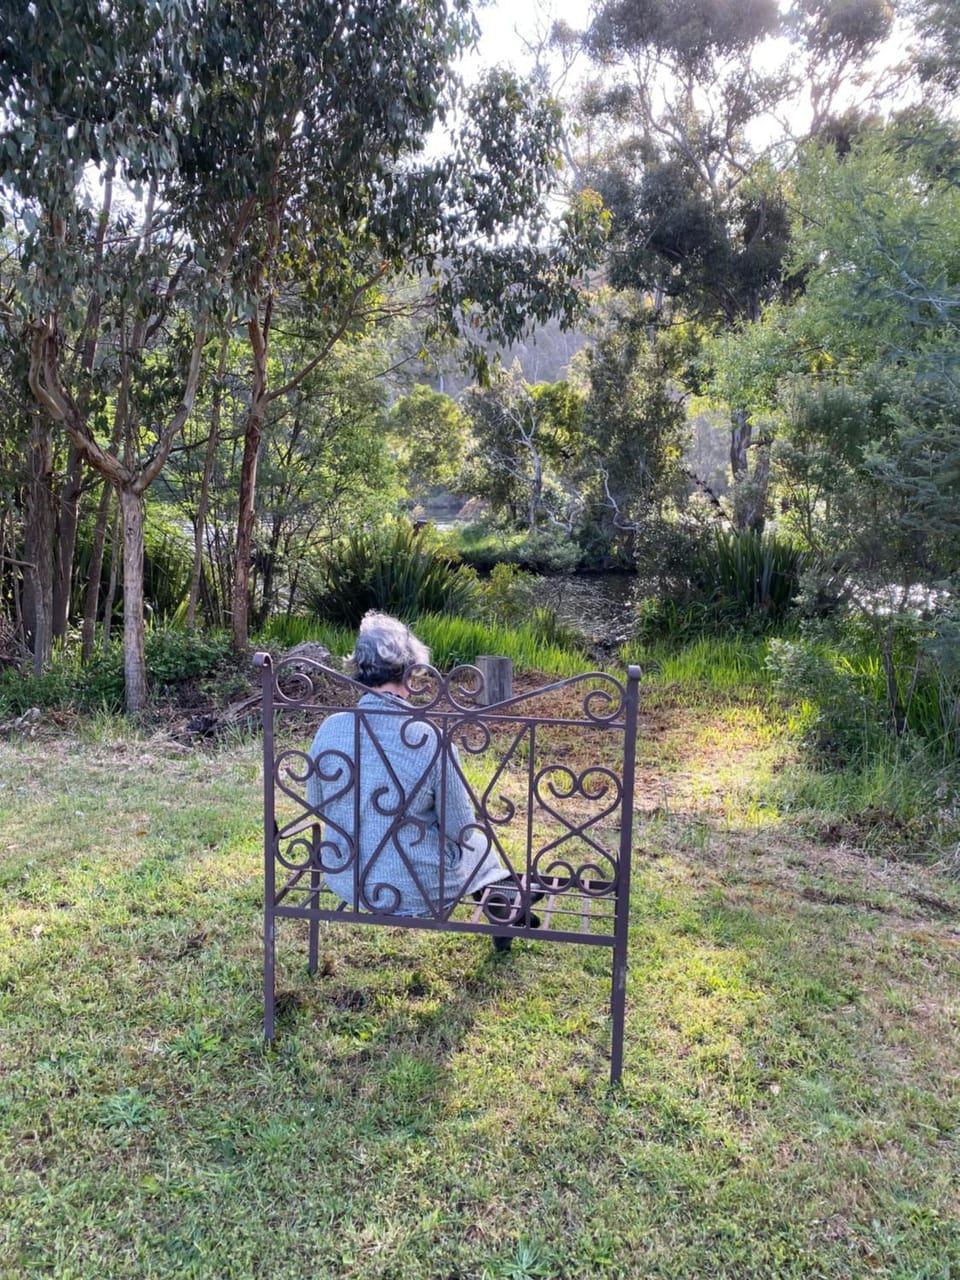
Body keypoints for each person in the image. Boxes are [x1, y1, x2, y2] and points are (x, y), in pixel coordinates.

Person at [306, 612, 535, 924]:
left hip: (346, 876)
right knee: (477, 838)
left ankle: (506, 897)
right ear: (411, 670)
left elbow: (318, 805)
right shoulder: (429, 738)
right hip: (416, 887)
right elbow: (460, 829)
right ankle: (505, 897)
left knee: (468, 839)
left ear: (358, 668)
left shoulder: (330, 729)